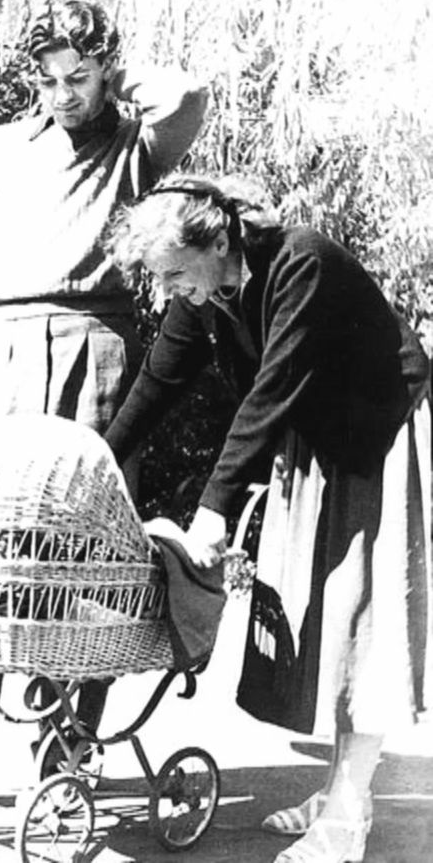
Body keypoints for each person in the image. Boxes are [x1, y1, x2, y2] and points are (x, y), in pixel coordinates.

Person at [0, 0, 207, 771]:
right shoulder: (0, 147)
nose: (63, 95)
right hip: (4, 353)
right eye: (48, 80)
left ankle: (64, 756)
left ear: (105, 72)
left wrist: (112, 72)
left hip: (95, 347)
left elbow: (188, 97)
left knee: (88, 548)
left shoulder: (134, 146)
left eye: (79, 77)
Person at [103, 172, 431, 863]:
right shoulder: (204, 292)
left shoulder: (300, 262)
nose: (167, 290)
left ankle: (347, 812)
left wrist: (214, 511)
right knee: (327, 617)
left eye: (172, 273)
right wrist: (96, 463)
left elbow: (272, 389)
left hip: (379, 434)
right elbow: (158, 380)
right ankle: (343, 788)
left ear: (217, 242)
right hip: (318, 439)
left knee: (362, 618)